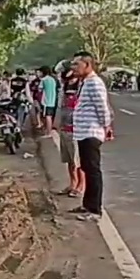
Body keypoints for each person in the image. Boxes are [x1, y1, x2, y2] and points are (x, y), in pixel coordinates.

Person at [69, 52, 112, 222]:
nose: (74, 68)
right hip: (83, 132)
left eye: (76, 64)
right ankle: (87, 205)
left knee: (93, 171)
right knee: (87, 169)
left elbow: (102, 107)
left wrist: (106, 126)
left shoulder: (94, 83)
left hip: (91, 132)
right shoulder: (85, 82)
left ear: (87, 65)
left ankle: (95, 210)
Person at [56, 65, 84, 198]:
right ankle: (72, 183)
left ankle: (80, 186)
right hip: (64, 128)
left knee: (78, 162)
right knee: (69, 160)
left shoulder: (81, 88)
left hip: (76, 130)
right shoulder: (64, 88)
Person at [37, 65, 58, 134]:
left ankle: (48, 132)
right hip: (53, 101)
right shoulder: (53, 79)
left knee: (47, 117)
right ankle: (48, 130)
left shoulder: (43, 80)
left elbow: (40, 90)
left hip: (46, 101)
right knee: (49, 116)